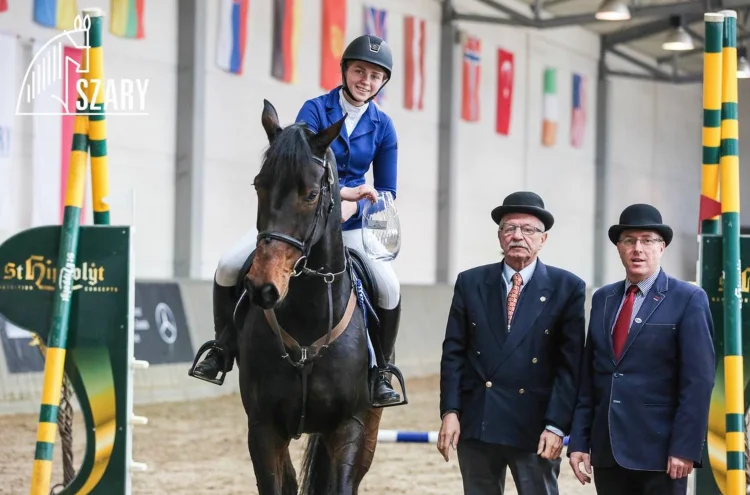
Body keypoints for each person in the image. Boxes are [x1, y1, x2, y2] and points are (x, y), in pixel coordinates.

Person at [190, 34, 404, 407]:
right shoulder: (316, 109)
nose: (365, 81)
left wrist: (355, 205)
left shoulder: (384, 128)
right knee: (227, 266)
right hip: (297, 220)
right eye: (359, 71)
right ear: (344, 71)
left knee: (388, 286)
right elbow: (297, 167)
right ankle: (222, 347)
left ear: (382, 82)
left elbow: (387, 191)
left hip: (349, 230)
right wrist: (342, 195)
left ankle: (381, 370)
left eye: (374, 76)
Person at [437, 191, 587, 495]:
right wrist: (450, 411)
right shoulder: (471, 282)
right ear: (500, 236)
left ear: (543, 239)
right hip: (479, 421)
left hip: (535, 428)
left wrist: (557, 426)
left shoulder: (567, 288)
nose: (518, 236)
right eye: (510, 228)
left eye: (528, 230)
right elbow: (453, 353)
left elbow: (569, 367)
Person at [567, 204, 715, 495]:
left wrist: (685, 447)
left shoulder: (688, 298)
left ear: (662, 248)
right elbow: (590, 376)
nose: (638, 249)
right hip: (608, 451)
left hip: (660, 454)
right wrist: (580, 441)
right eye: (629, 241)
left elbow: (698, 381)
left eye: (647, 240)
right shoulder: (603, 298)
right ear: (619, 248)